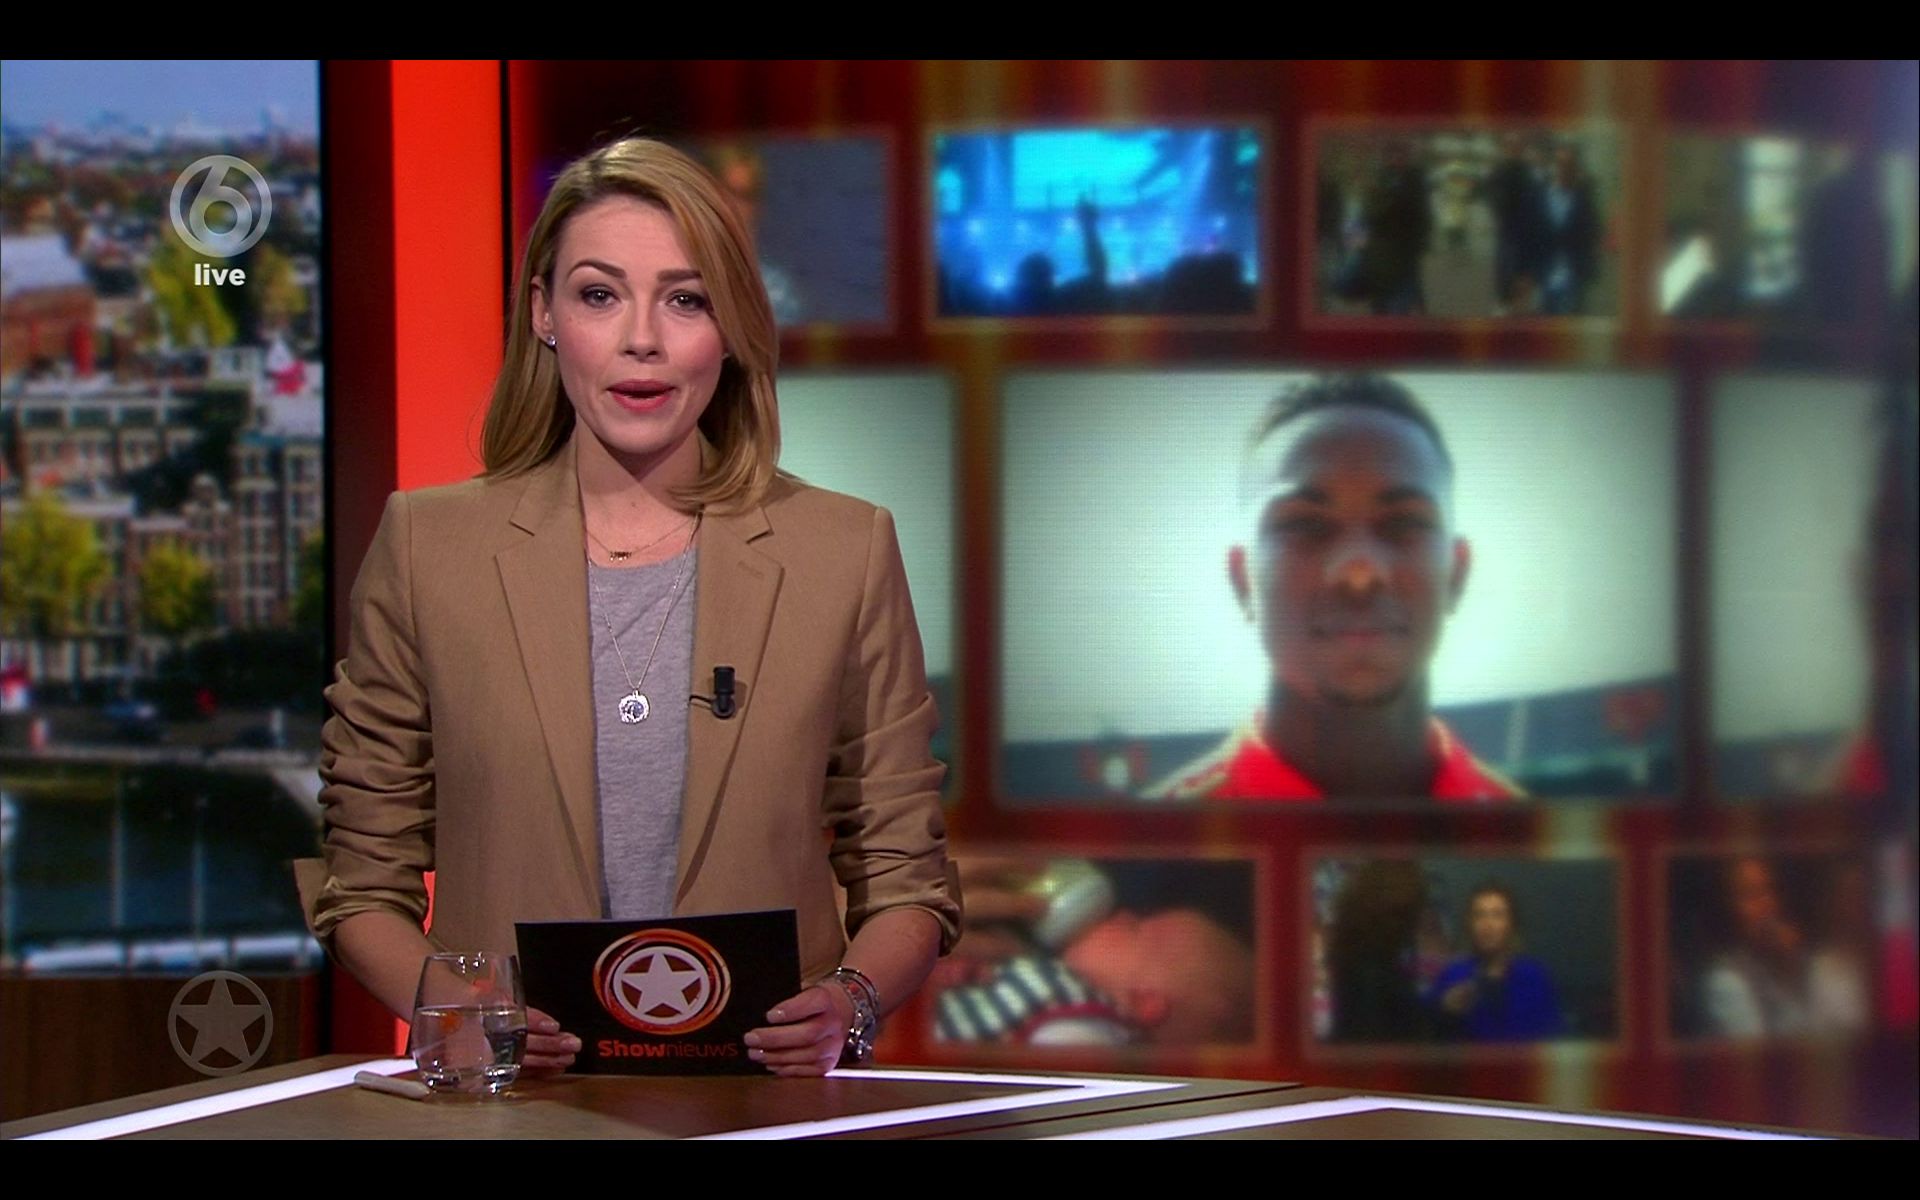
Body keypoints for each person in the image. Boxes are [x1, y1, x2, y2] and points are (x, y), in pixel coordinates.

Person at [299, 136, 961, 1078]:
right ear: (544, 313)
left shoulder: (842, 550)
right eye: (600, 295)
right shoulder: (428, 547)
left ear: (731, 327)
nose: (642, 338)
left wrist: (850, 1003)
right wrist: (455, 1006)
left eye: (686, 300)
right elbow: (362, 880)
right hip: (514, 1106)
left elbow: (907, 878)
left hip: (763, 1104)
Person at [1144, 374, 1523, 801]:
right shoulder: (1145, 840)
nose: (1359, 571)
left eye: (1404, 523)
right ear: (1242, 579)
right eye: (1305, 525)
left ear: (1456, 573)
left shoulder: (1534, 833)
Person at [1425, 883, 1567, 1041]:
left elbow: (1555, 1036)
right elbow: (1426, 1037)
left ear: (1512, 925)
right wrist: (1444, 1011)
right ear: (1469, 924)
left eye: (1497, 915)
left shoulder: (1535, 976)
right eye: (1479, 915)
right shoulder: (1452, 976)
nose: (1488, 924)